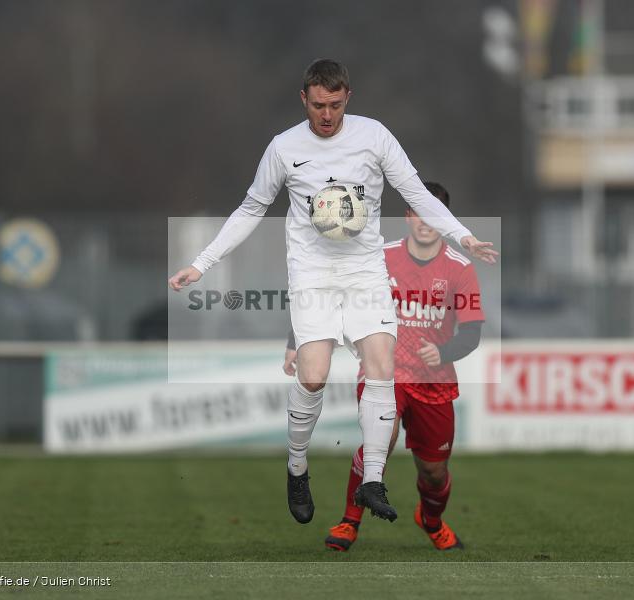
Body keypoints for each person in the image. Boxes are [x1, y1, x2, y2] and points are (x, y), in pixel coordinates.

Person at [169, 59, 498, 525]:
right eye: (319, 105)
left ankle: (373, 481)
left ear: (349, 97)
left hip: (364, 269)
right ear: (304, 99)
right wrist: (202, 264)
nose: (327, 114)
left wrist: (461, 236)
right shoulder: (284, 147)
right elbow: (251, 208)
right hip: (313, 273)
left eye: (336, 105)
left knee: (382, 366)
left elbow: (417, 193)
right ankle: (297, 466)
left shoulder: (374, 136)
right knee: (315, 375)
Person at [284, 182, 484, 550]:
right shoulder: (379, 257)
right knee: (379, 441)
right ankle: (349, 522)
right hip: (384, 373)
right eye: (418, 213)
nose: (425, 222)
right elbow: (324, 293)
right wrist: (296, 340)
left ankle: (431, 519)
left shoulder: (459, 269)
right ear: (408, 216)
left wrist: (443, 353)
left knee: (434, 472)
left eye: (435, 216)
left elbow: (471, 332)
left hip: (433, 382)